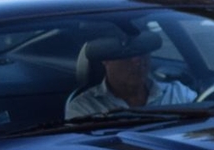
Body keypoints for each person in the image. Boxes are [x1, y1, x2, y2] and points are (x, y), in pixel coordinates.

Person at [67, 29, 195, 119]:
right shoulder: (84, 108)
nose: (137, 60)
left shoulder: (178, 93)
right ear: (105, 59)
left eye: (142, 51)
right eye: (125, 55)